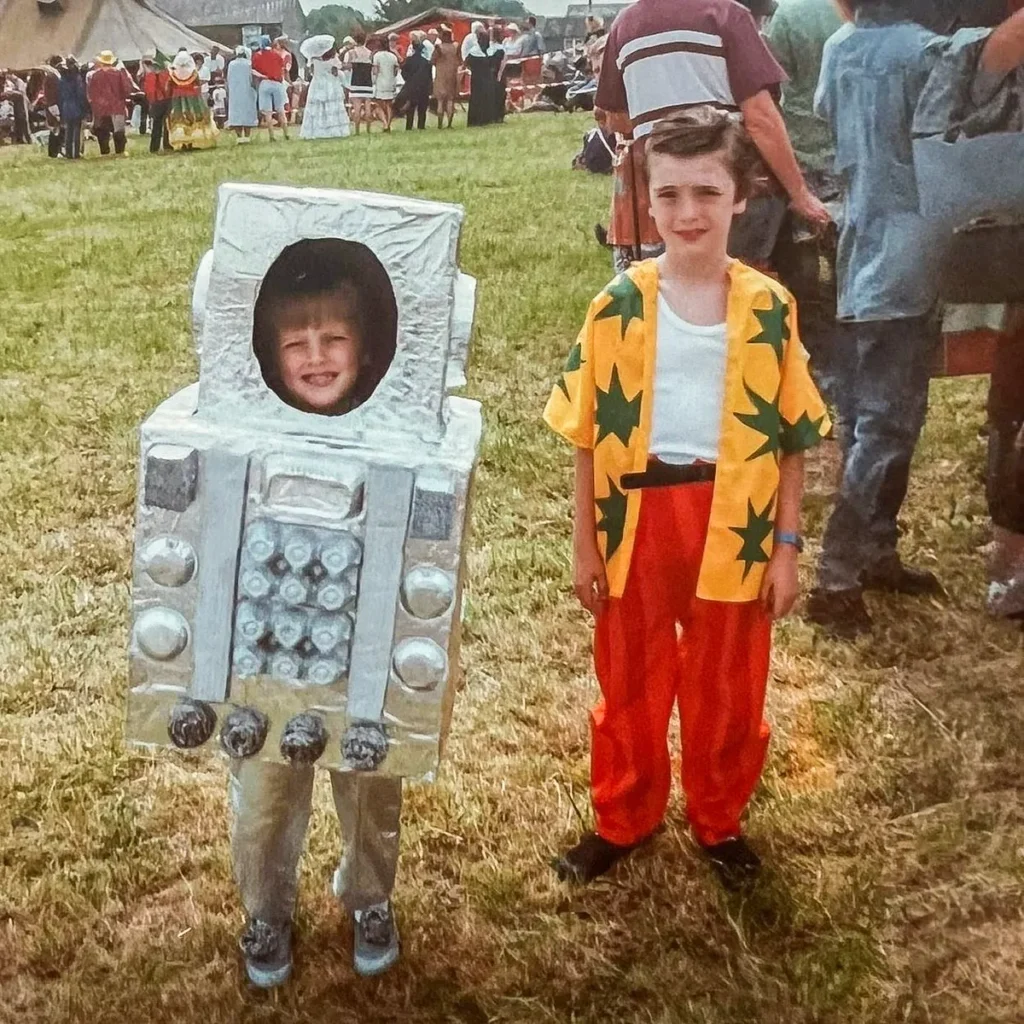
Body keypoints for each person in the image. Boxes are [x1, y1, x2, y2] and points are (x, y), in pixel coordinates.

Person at [544, 109, 829, 892]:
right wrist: (584, 544)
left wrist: (787, 547)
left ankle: (719, 817)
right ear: (646, 199)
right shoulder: (617, 307)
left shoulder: (769, 309)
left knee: (728, 683)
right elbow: (583, 432)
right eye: (668, 195)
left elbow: (794, 438)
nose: (688, 213)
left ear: (743, 197)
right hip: (634, 519)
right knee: (630, 677)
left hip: (735, 522)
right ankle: (623, 817)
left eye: (708, 191)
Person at [806, 0, 1024, 635]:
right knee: (884, 429)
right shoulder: (922, 52)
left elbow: (827, 111)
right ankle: (836, 577)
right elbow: (990, 56)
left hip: (862, 252)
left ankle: (875, 554)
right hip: (906, 261)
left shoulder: (838, 50)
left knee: (871, 420)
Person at [594, 0, 829, 274]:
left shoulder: (624, 26)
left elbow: (615, 118)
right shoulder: (726, 14)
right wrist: (800, 194)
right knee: (752, 283)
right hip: (734, 186)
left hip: (667, 189)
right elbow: (761, 119)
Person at [167, 50, 218, 151]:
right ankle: (191, 143)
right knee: (194, 119)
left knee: (180, 120)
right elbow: (198, 82)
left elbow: (169, 85)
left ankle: (183, 143)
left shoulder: (173, 73)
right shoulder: (193, 72)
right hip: (193, 98)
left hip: (178, 99)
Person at [86, 51, 135, 155]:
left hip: (101, 108)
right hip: (117, 106)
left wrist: (95, 105)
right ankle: (119, 151)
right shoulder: (118, 73)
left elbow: (91, 92)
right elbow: (126, 89)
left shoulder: (95, 75)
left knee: (102, 130)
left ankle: (104, 151)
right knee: (118, 130)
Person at [300, 44, 350, 140]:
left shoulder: (314, 60)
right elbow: (336, 72)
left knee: (317, 107)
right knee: (332, 106)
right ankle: (333, 129)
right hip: (330, 84)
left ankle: (316, 129)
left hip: (317, 84)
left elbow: (312, 72)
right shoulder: (333, 60)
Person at [252, 34, 290, 140]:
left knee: (267, 112)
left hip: (265, 82)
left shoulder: (257, 56)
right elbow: (281, 70)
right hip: (277, 83)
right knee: (280, 109)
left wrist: (262, 76)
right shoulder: (277, 55)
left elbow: (253, 70)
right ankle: (286, 133)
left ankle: (271, 135)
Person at [140, 53, 172, 154]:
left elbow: (148, 91)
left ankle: (154, 147)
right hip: (168, 101)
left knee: (156, 126)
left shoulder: (150, 76)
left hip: (156, 102)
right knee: (167, 125)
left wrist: (151, 102)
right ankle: (168, 145)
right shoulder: (168, 75)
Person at [399, 34, 432, 130]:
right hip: (423, 86)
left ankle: (409, 126)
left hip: (411, 86)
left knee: (411, 107)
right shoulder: (426, 62)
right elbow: (429, 76)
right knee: (422, 108)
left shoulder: (408, 60)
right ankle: (421, 126)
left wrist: (408, 80)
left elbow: (403, 72)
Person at [225, 46, 258, 143]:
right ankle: (247, 136)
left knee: (236, 113)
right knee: (247, 112)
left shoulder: (231, 64)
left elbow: (228, 78)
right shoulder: (249, 64)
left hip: (234, 92)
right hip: (247, 90)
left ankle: (239, 137)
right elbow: (252, 78)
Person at [344, 29, 374, 133]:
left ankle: (357, 130)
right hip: (367, 82)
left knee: (356, 108)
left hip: (356, 82)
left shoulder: (351, 53)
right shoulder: (370, 53)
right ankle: (368, 129)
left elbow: (347, 66)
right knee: (368, 107)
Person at [57, 58, 86, 159]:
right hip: (76, 105)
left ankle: (68, 153)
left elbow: (60, 95)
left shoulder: (62, 79)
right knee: (77, 130)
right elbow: (80, 93)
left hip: (66, 106)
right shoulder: (77, 78)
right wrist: (84, 106)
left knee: (68, 130)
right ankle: (77, 153)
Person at [431, 25, 459, 128]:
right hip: (452, 74)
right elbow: (459, 60)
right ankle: (449, 124)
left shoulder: (439, 47)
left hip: (441, 75)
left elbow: (432, 60)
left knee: (440, 100)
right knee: (450, 100)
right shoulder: (455, 47)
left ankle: (440, 124)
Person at [466, 29, 493, 127]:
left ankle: (478, 120)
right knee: (480, 98)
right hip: (482, 78)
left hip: (478, 78)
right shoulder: (483, 51)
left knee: (478, 99)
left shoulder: (473, 52)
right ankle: (479, 120)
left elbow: (467, 63)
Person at [372, 34, 400, 131]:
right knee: (389, 104)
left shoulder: (377, 56)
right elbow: (396, 71)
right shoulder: (393, 56)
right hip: (391, 81)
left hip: (380, 81)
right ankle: (388, 123)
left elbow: (375, 71)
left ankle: (384, 123)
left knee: (378, 105)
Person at [489, 26, 506, 122]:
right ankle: (499, 116)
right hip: (498, 73)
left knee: (495, 95)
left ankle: (495, 116)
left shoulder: (490, 47)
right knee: (499, 95)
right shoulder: (501, 48)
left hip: (492, 74)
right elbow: (503, 62)